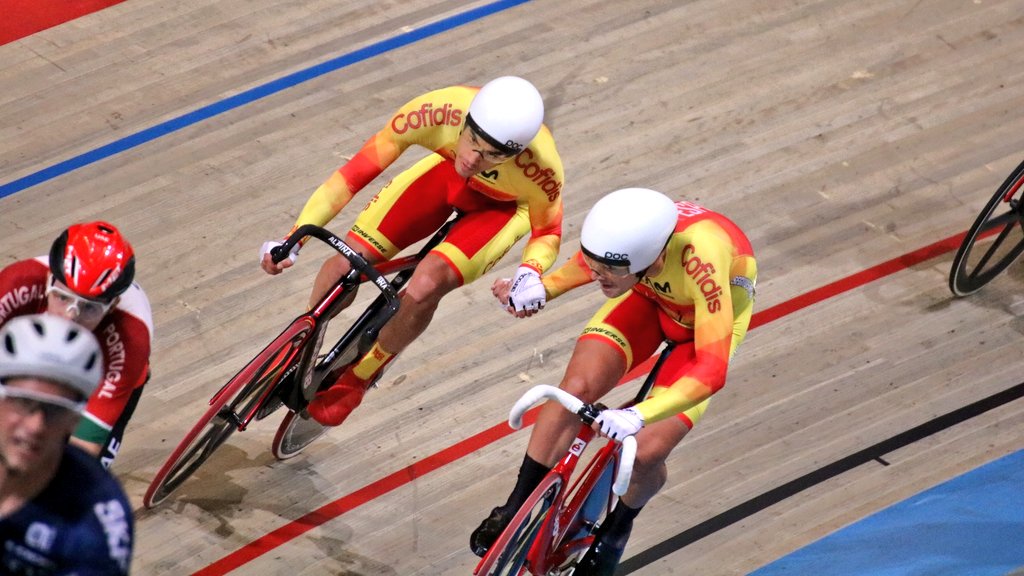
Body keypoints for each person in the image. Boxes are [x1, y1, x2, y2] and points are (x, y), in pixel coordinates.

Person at [471, 188, 758, 574]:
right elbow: (595, 262)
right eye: (597, 263)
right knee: (574, 391)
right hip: (647, 297)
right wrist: (544, 288)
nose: (599, 275)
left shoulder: (702, 261)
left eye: (612, 270)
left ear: (654, 256)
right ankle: (516, 505)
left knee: (645, 451)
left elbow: (711, 371)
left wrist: (640, 415)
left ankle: (617, 529)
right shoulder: (624, 244)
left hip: (703, 329)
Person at [260, 76, 564, 427]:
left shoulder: (542, 169)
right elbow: (352, 175)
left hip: (503, 210)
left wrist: (530, 272)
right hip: (444, 175)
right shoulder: (435, 111)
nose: (474, 157)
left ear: (517, 153)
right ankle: (302, 342)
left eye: (493, 154)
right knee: (346, 261)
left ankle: (360, 376)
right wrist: (295, 237)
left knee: (425, 285)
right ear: (464, 123)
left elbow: (548, 231)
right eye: (472, 141)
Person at [0, 221, 153, 468]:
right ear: (49, 279)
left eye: (89, 307)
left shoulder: (131, 338)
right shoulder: (17, 282)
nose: (70, 316)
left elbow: (83, 448)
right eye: (62, 298)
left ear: (112, 306)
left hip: (100, 375)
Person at [0, 314, 134, 575]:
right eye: (24, 402)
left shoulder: (95, 527)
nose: (35, 426)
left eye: (56, 411)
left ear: (75, 420)